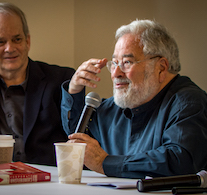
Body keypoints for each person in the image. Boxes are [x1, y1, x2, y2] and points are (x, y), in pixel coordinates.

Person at [61, 19, 207, 178]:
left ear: (161, 68)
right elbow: (79, 138)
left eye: (127, 62)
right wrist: (74, 90)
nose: (115, 73)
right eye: (114, 63)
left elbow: (179, 160)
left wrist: (106, 163)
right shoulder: (113, 107)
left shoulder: (189, 102)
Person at [0, 2, 75, 166]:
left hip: (49, 182)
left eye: (17, 39)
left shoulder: (62, 80)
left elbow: (80, 136)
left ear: (27, 41)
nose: (9, 48)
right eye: (0, 42)